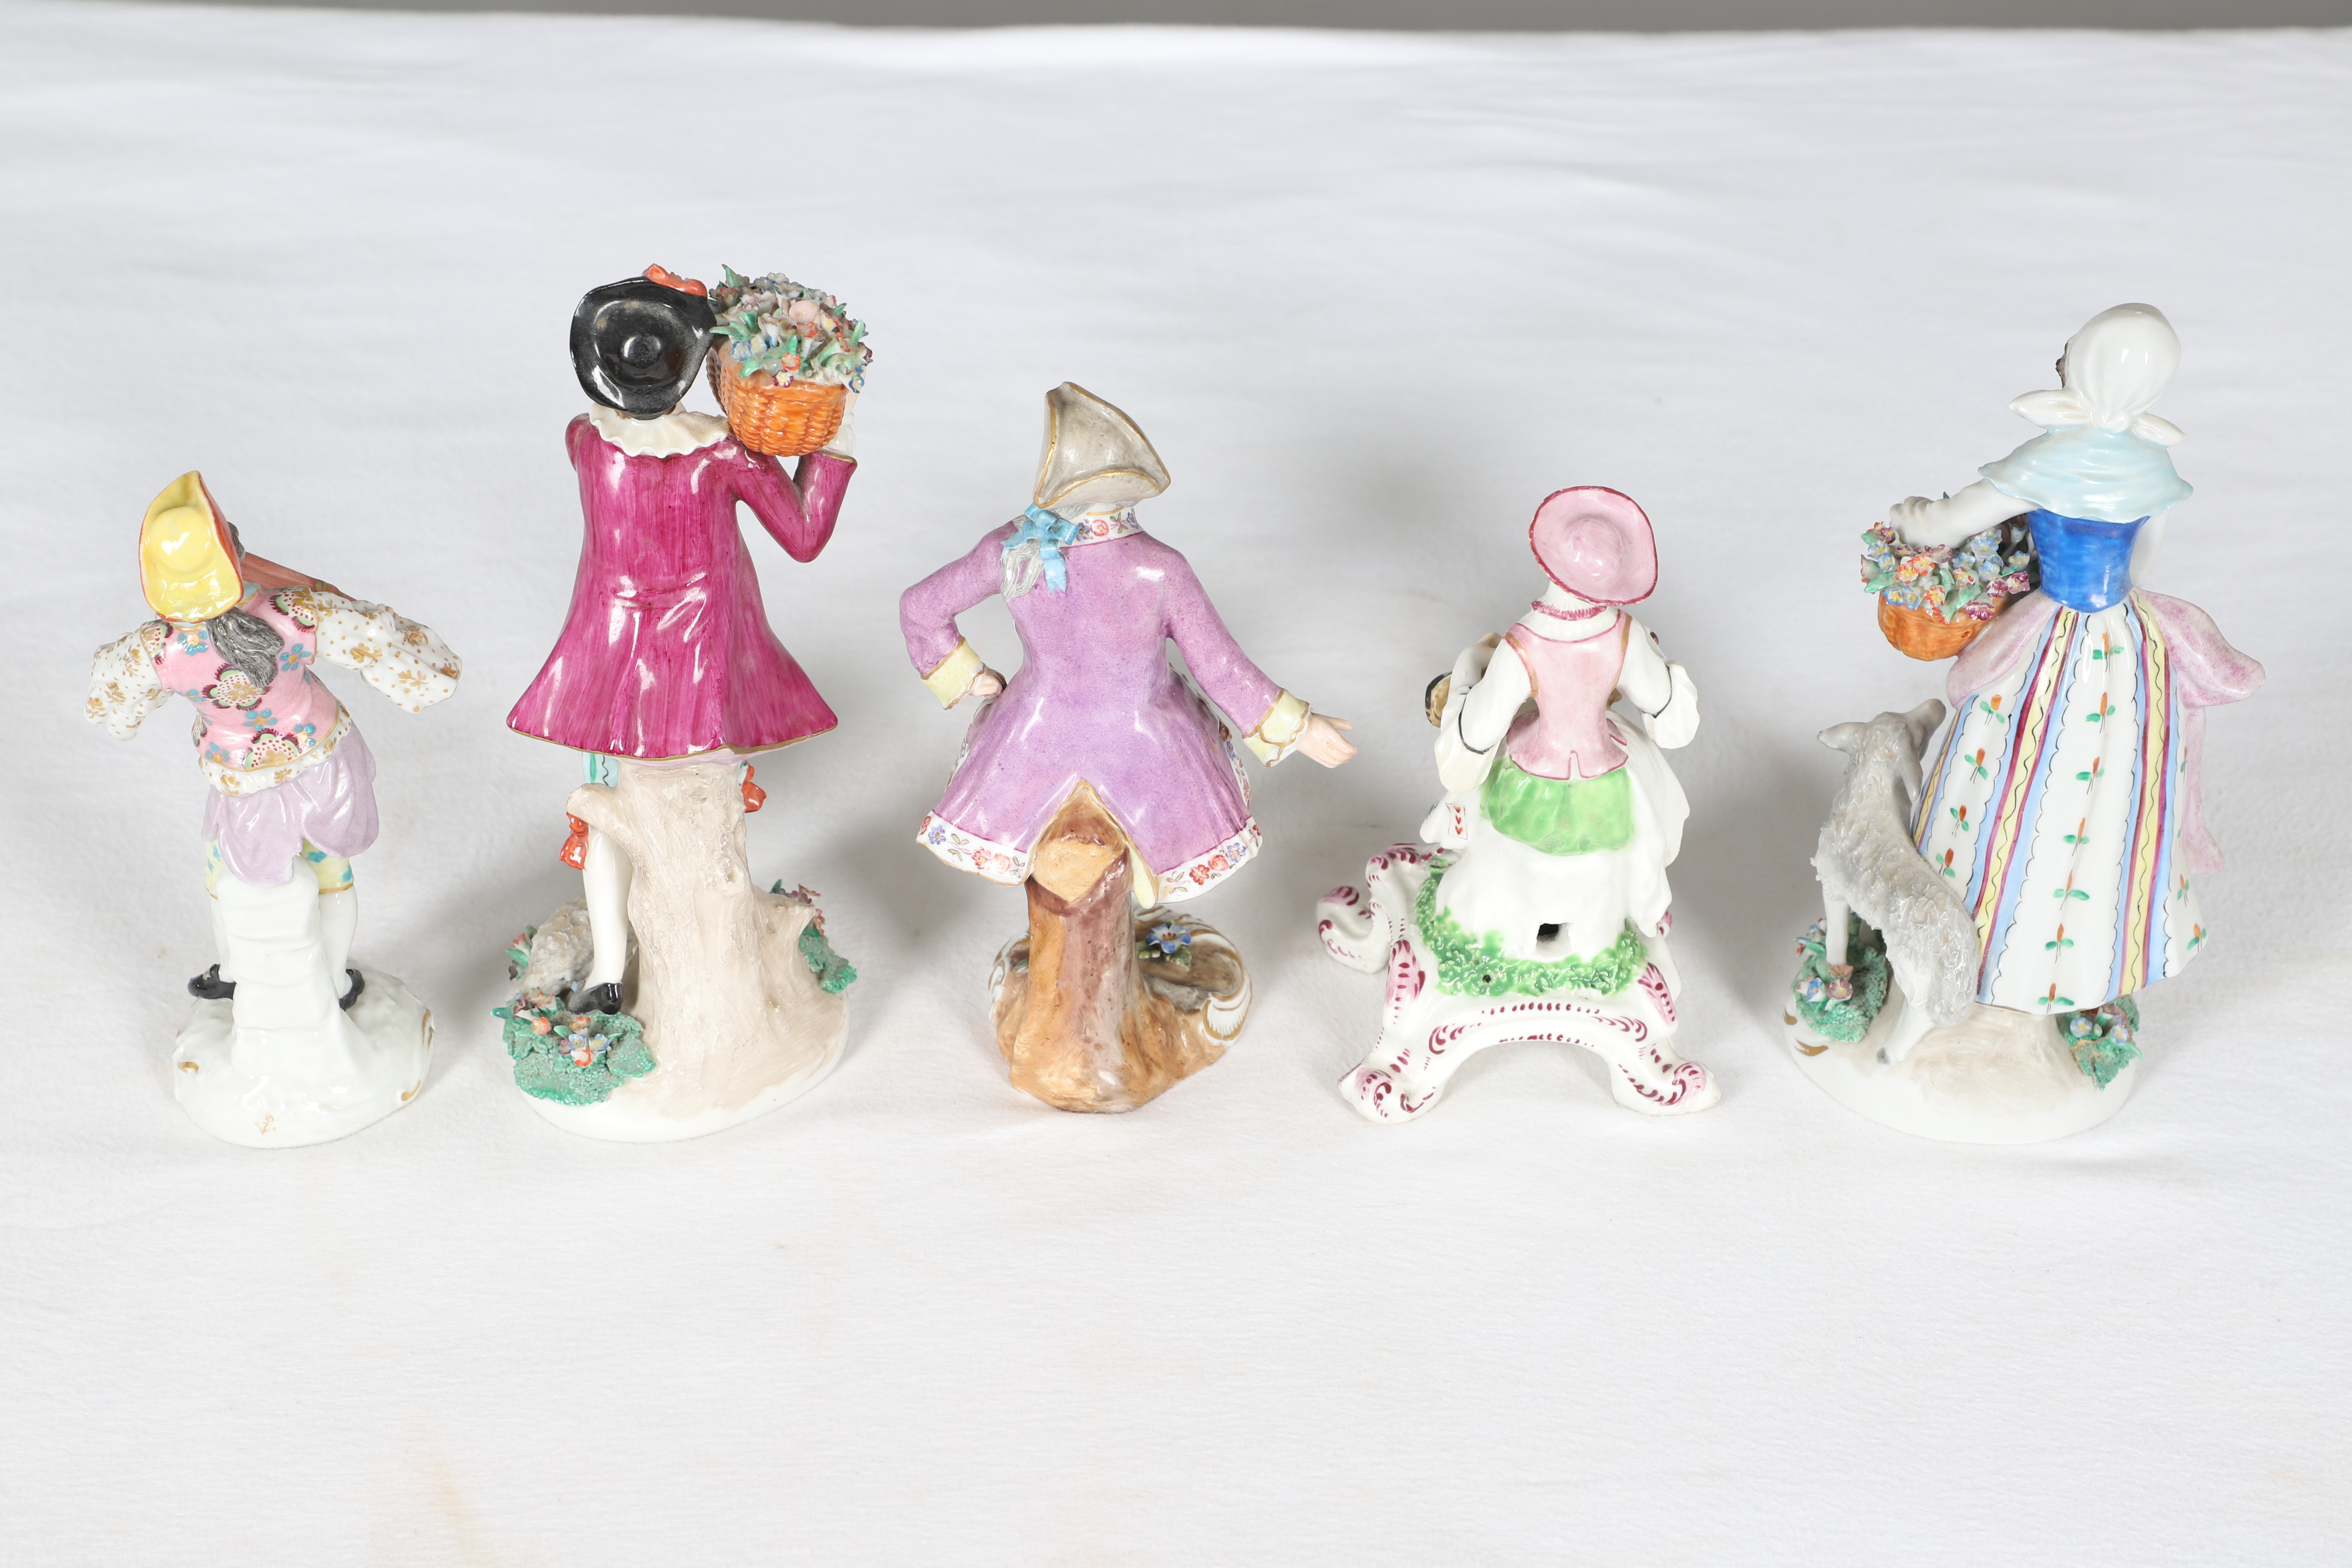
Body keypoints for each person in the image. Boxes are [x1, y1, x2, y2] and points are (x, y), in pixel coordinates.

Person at [1886, 303, 2262, 1020]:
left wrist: (1909, 518)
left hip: (2052, 634)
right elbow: (2141, 564)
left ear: (2083, 367)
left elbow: (1947, 523)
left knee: (2009, 774)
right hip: (2125, 644)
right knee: (2105, 789)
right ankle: (2077, 958)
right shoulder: (2152, 462)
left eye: (2069, 353)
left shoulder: (2050, 457)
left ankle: (1974, 949)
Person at [506, 267, 857, 1013]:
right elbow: (804, 535)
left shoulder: (585, 442)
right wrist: (834, 443)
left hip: (609, 662)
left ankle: (611, 965)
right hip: (700, 663)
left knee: (610, 801)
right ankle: (679, 959)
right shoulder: (725, 454)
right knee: (691, 806)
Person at [900, 382, 1354, 904]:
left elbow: (920, 606)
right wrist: (1298, 727)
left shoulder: (1013, 548)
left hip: (1030, 736)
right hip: (1147, 742)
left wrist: (964, 674)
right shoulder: (1161, 569)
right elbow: (1219, 667)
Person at [86, 470, 461, 1003]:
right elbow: (376, 635)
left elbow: (113, 700)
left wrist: (121, 721)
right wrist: (424, 679)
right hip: (323, 756)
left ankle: (234, 969)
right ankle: (334, 980)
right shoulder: (294, 612)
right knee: (331, 873)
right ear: (236, 556)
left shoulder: (157, 650)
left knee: (225, 872)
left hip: (242, 775)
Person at [1428, 486, 1699, 968]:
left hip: (1533, 787)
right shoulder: (1625, 633)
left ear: (1550, 560)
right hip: (1604, 786)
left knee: (1479, 794)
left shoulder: (1524, 643)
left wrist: (1468, 669)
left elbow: (1476, 735)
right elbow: (1670, 719)